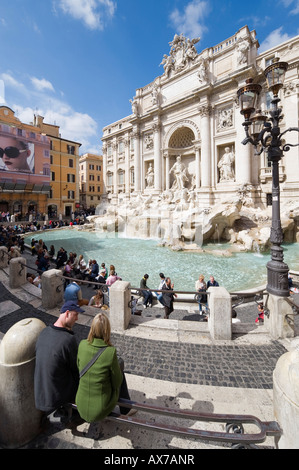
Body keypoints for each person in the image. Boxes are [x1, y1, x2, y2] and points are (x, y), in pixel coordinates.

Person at [75, 313, 135, 422]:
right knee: (120, 374)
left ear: (92, 328)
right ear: (107, 330)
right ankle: (126, 409)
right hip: (100, 408)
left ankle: (126, 409)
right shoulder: (110, 352)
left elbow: (79, 367)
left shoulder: (82, 344)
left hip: (81, 403)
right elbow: (117, 383)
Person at [34, 301, 85, 415]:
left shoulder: (45, 331)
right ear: (67, 313)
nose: (77, 319)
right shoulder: (67, 340)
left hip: (41, 392)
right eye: (75, 315)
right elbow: (76, 369)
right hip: (58, 396)